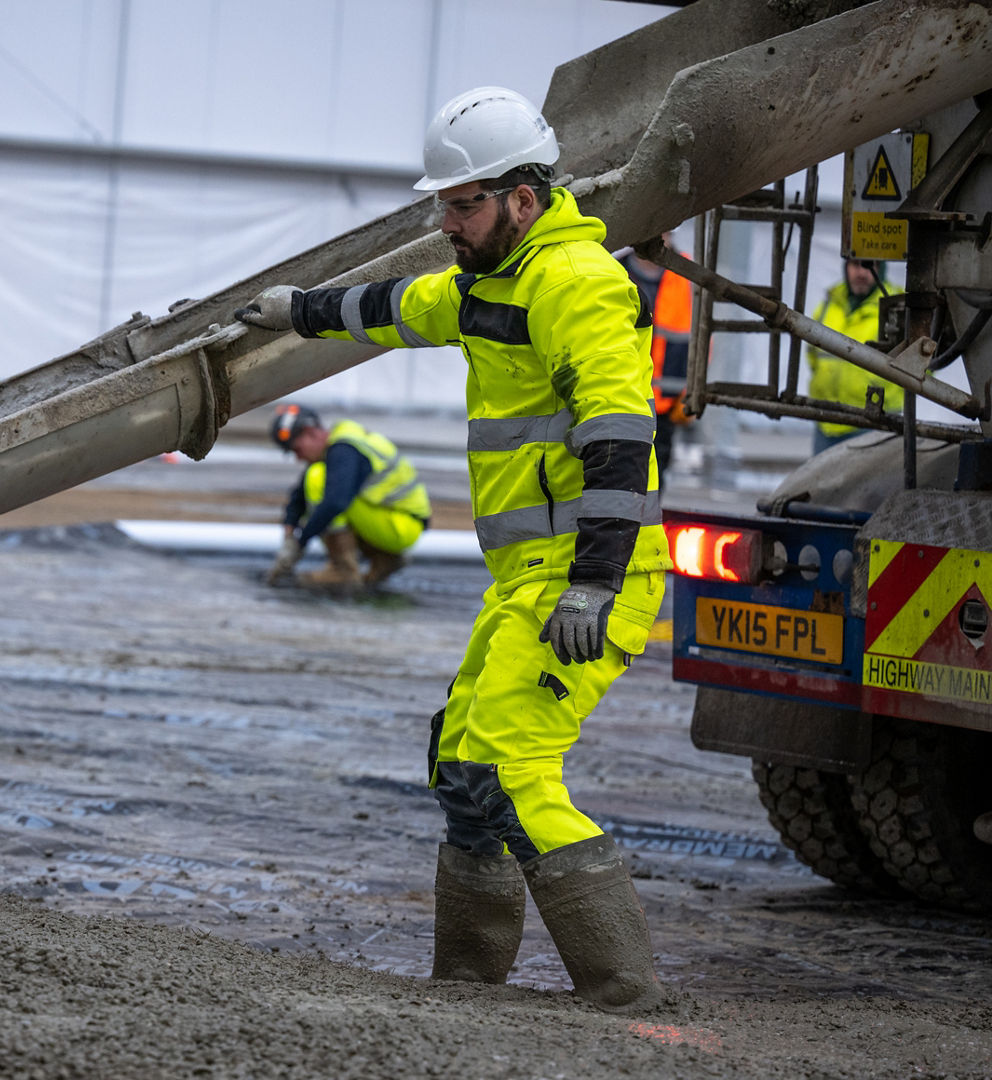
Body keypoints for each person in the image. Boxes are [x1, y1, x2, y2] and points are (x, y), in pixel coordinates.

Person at [235, 86, 669, 1013]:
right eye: (443, 202)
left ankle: (629, 995)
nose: (445, 221)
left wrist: (593, 585)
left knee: (511, 769)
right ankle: (467, 990)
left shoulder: (577, 282)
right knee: (461, 763)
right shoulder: (485, 287)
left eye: (461, 203)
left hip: (593, 576)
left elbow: (620, 438)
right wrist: (293, 309)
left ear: (521, 199)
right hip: (529, 577)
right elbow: (390, 304)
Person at [264, 404, 429, 592]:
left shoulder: (344, 450)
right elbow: (299, 495)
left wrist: (299, 544)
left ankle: (343, 571)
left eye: (297, 450)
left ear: (310, 433)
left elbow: (336, 502)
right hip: (399, 522)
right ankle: (385, 559)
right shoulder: (341, 441)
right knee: (319, 479)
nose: (298, 458)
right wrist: (289, 527)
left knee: (319, 480)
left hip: (400, 525)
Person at [805, 257, 900, 455]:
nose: (861, 273)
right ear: (846, 266)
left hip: (873, 422)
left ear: (880, 269)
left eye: (869, 266)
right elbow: (813, 355)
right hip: (827, 420)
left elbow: (923, 365)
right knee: (822, 485)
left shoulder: (896, 308)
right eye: (855, 264)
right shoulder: (830, 302)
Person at [619, 235, 693, 474]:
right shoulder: (613, 271)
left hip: (665, 403)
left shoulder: (687, 275)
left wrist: (690, 391)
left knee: (655, 473)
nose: (659, 237)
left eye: (666, 231)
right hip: (619, 397)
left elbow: (700, 338)